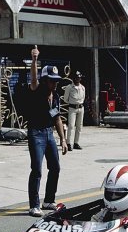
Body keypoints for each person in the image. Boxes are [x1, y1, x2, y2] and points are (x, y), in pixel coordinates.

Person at [21, 45, 68, 217]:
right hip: (36, 133)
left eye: (56, 80)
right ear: (45, 80)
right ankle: (34, 205)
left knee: (55, 167)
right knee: (37, 170)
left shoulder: (55, 96)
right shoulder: (37, 90)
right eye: (52, 80)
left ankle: (48, 200)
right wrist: (34, 60)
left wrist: (62, 139)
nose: (55, 83)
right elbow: (33, 79)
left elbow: (57, 118)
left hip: (49, 133)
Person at [62, 71, 86, 151]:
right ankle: (68, 143)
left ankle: (76, 143)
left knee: (79, 126)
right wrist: (72, 103)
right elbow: (65, 99)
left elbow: (83, 98)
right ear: (73, 78)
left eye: (79, 78)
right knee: (71, 126)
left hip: (81, 108)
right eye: (76, 78)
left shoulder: (82, 88)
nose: (78, 79)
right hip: (72, 108)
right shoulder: (69, 87)